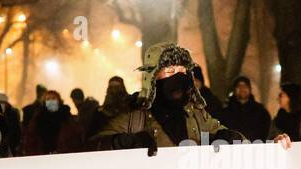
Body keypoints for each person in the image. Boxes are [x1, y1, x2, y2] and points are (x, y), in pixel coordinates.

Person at [93, 42, 242, 153]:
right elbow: (91, 148)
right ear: (153, 76)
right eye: (170, 71)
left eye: (182, 70)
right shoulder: (136, 116)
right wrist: (121, 142)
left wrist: (231, 137)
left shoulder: (196, 114)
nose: (177, 77)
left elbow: (244, 143)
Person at [23, 89, 86, 155]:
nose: (51, 101)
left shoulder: (66, 117)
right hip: (42, 158)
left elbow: (75, 139)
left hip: (63, 157)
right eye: (48, 99)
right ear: (44, 102)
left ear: (59, 101)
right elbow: (30, 140)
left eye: (53, 98)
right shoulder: (38, 119)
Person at [218, 75, 272, 141]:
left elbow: (266, 131)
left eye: (245, 86)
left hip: (254, 149)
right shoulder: (225, 112)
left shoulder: (261, 112)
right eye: (239, 86)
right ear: (234, 90)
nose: (242, 88)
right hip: (232, 149)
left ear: (249, 89)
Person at [88, 76, 130, 140]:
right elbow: (91, 134)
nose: (113, 91)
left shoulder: (129, 107)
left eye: (116, 87)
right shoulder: (99, 112)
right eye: (111, 88)